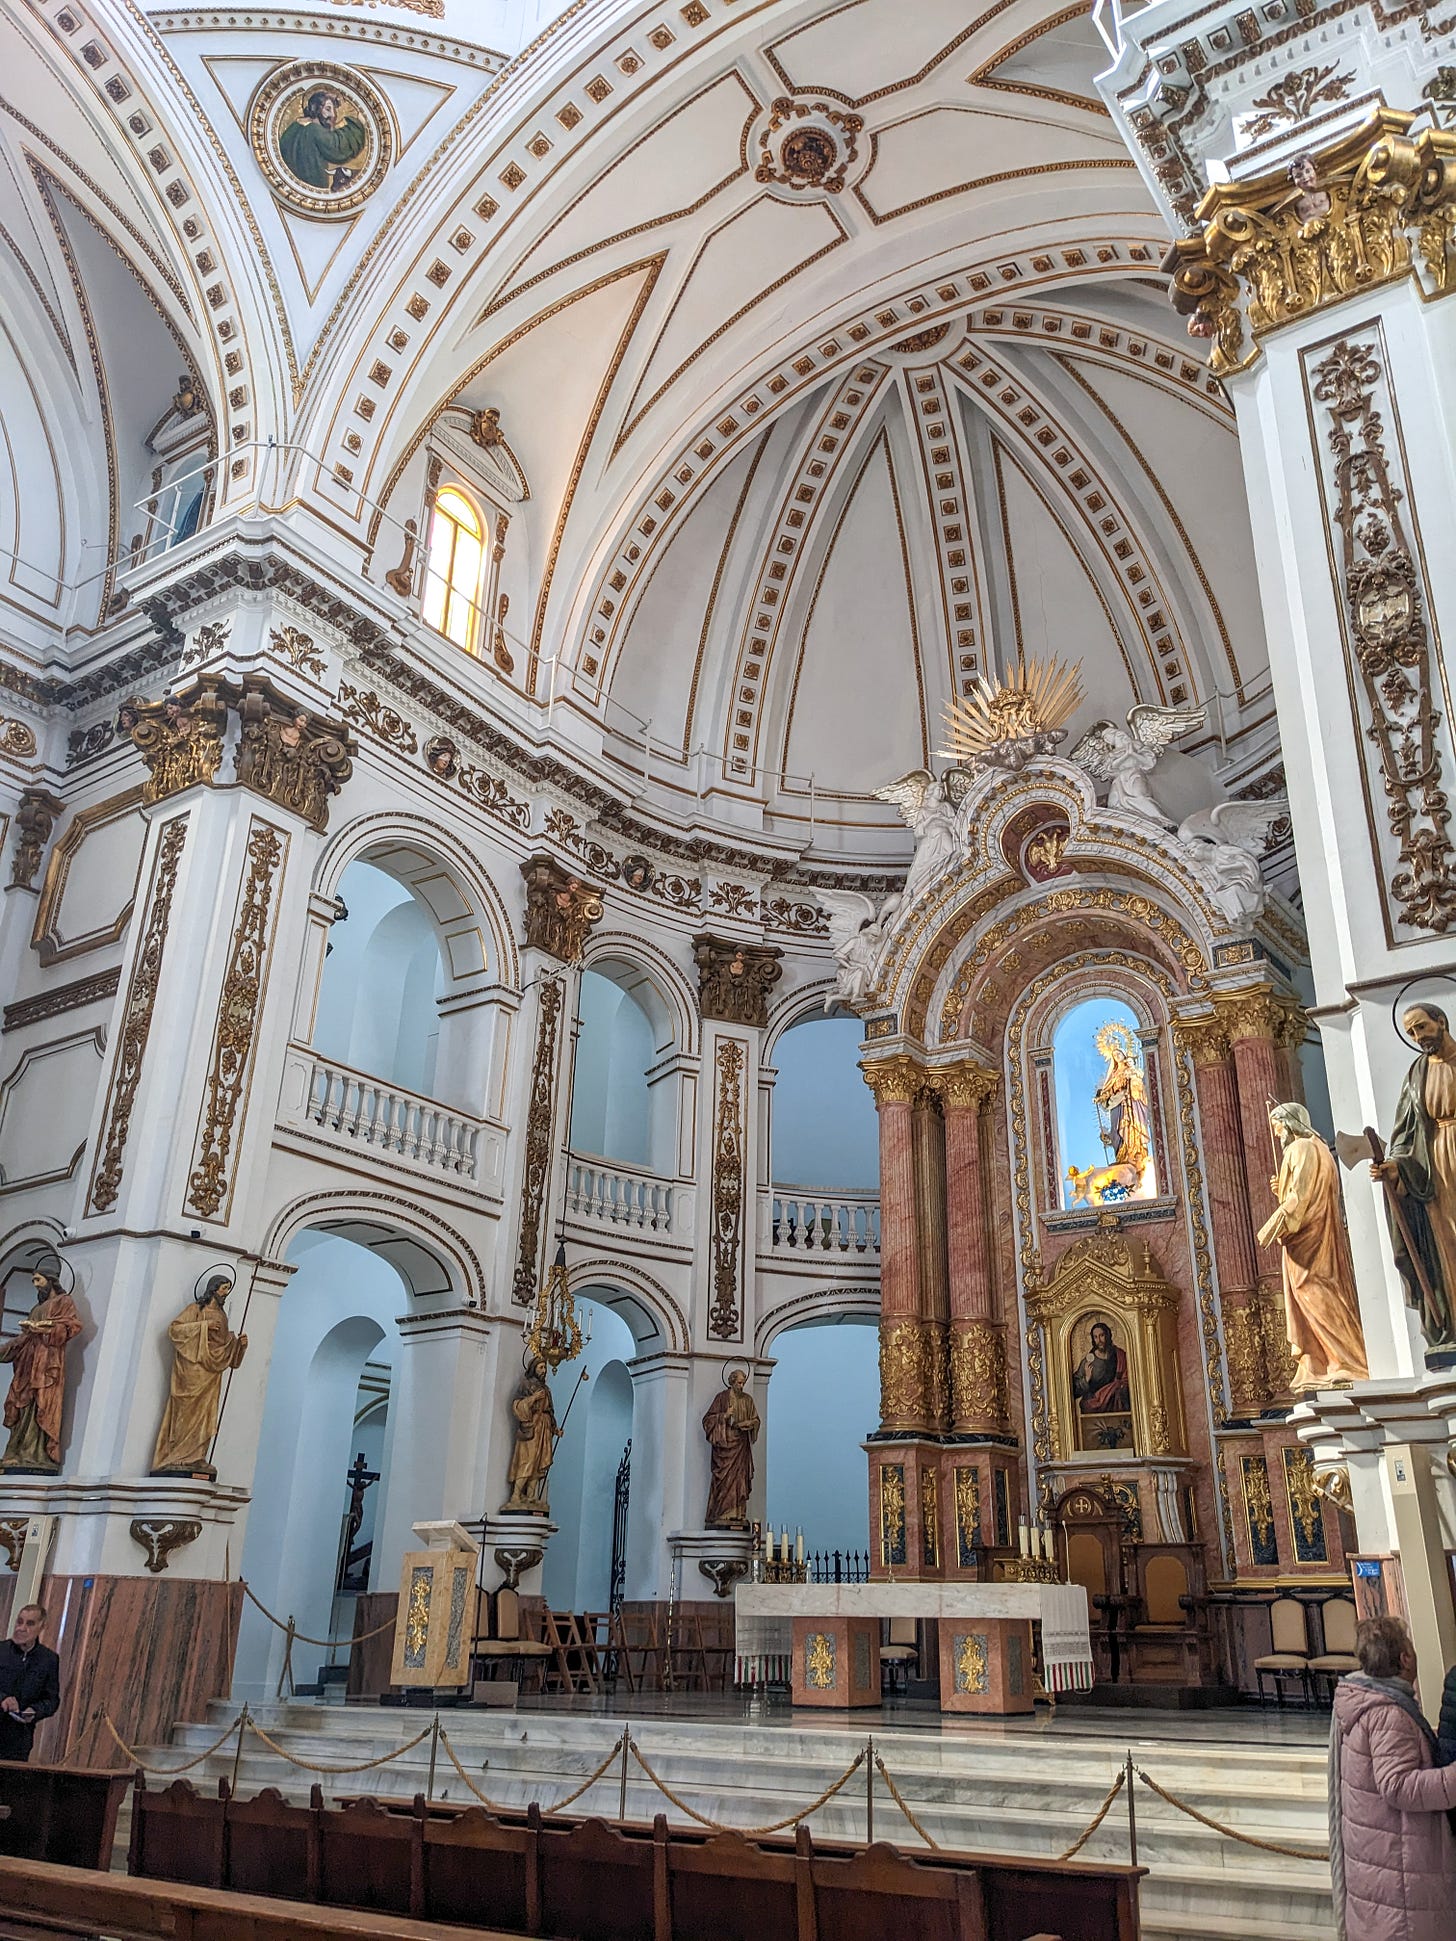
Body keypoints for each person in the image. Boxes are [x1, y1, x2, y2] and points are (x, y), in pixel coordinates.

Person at [1329, 1614, 1456, 1940]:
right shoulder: (1388, 1713)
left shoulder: (1367, 1700)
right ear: (1405, 1658)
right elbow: (1398, 1786)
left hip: (1380, 1854)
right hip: (1397, 1864)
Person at [1258, 1103, 1369, 1388]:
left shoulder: (1300, 1149)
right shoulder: (1319, 1148)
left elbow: (1299, 1198)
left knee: (1312, 1291)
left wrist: (1276, 1222)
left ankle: (1345, 1361)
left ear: (1292, 1123)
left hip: (1307, 1239)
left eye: (1278, 1125)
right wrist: (1281, 1187)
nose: (1276, 1132)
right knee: (1325, 1291)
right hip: (1321, 1233)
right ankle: (1324, 1362)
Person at [1371, 1003, 1456, 1348]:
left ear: (1441, 1022)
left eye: (1422, 1027)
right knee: (1447, 1245)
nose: (1419, 1037)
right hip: (1436, 1169)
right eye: (1411, 1032)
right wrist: (1397, 1166)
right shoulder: (1417, 1073)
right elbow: (1407, 1133)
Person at [151, 1274, 247, 1477]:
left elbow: (221, 1347)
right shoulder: (195, 1310)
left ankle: (196, 1456)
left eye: (228, 1289)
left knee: (205, 1414)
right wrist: (203, 1326)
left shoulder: (222, 1315)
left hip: (212, 1372)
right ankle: (176, 1455)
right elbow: (175, 1330)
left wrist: (238, 1345)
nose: (226, 1293)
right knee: (186, 1411)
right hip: (192, 1370)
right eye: (223, 1289)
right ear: (213, 1289)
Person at [0, 1266, 82, 1471]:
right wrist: (9, 1347)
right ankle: (17, 1451)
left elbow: (71, 1326)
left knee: (42, 1403)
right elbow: (25, 1337)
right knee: (21, 1402)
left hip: (47, 1361)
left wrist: (46, 1329)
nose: (36, 1285)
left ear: (51, 1280)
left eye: (38, 1280)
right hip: (28, 1361)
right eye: (33, 1281)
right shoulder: (37, 1308)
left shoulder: (64, 1302)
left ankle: (35, 1453)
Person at [0, 1604, 61, 1763]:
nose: (22, 1628)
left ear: (42, 1627)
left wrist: (35, 1711)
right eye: (19, 1622)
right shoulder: (1, 1650)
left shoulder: (48, 1660)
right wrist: (3, 1699)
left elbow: (51, 1700)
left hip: (19, 1740)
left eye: (29, 1624)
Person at [278, 89, 366, 193]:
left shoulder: (294, 128)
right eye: (328, 109)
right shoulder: (314, 129)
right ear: (315, 109)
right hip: (312, 188)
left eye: (334, 110)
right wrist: (358, 125)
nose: (333, 115)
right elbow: (337, 147)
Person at [703, 1369, 760, 1527]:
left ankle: (738, 1512)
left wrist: (751, 1423)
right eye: (739, 1383)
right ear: (732, 1381)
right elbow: (707, 1420)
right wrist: (725, 1416)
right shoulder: (721, 1398)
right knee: (724, 1479)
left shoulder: (747, 1400)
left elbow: (756, 1419)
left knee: (740, 1479)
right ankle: (722, 1513)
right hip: (726, 1445)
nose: (741, 1386)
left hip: (741, 1445)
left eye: (743, 1383)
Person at [1072, 1321, 1131, 1415]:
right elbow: (1073, 1391)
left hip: (1117, 1407)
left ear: (1108, 1335)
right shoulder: (1088, 1362)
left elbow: (1130, 1379)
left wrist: (1118, 1387)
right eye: (1095, 1337)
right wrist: (1086, 1379)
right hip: (1094, 1407)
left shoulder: (1120, 1356)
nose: (1099, 1340)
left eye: (1102, 1335)